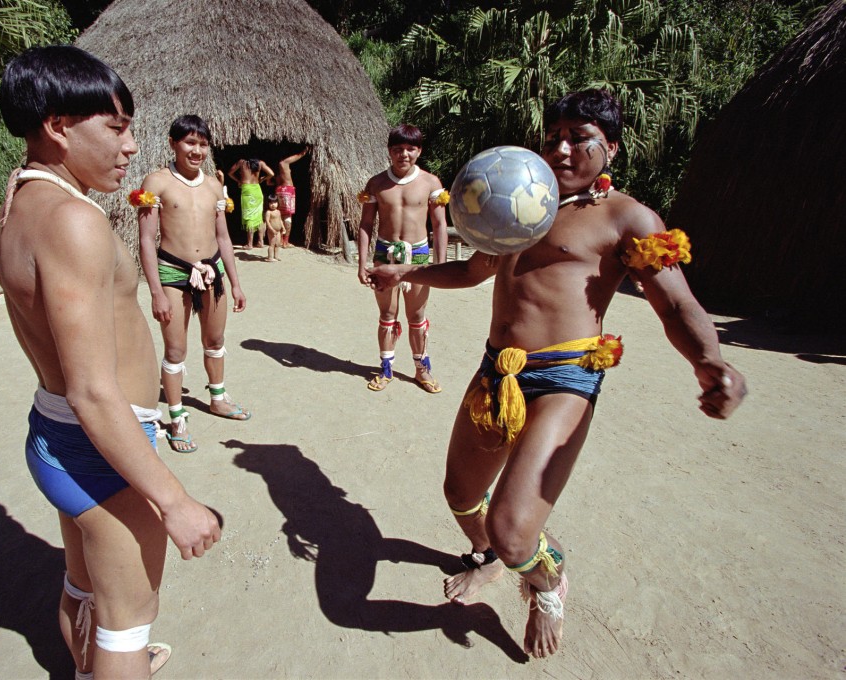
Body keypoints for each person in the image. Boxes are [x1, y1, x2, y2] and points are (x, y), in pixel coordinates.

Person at [368, 89, 747, 659]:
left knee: (514, 525)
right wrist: (405, 270)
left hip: (566, 379)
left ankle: (547, 583)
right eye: (554, 138)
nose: (562, 148)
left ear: (611, 148)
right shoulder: (518, 196)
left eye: (579, 138)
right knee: (461, 494)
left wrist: (711, 361)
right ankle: (494, 559)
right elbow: (474, 270)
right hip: (498, 371)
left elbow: (675, 304)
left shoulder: (628, 218)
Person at [0, 46, 221, 679]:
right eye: (116, 127)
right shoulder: (72, 221)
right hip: (103, 443)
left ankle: (84, 667)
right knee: (128, 620)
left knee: (83, 584)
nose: (129, 146)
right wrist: (173, 500)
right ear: (58, 126)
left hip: (55, 432)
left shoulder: (17, 203)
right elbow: (94, 391)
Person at [135, 115, 251, 455]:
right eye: (189, 142)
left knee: (215, 339)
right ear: (173, 143)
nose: (196, 150)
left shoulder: (215, 186)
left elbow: (223, 238)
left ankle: (218, 397)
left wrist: (236, 282)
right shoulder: (156, 183)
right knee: (176, 350)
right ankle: (176, 417)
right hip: (174, 273)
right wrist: (156, 290)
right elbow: (146, 240)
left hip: (212, 272)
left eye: (202, 144)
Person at [356, 124, 449, 393]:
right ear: (389, 151)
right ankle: (386, 369)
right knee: (387, 314)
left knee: (417, 315)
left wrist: (439, 266)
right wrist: (362, 264)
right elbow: (365, 225)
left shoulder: (431, 183)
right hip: (384, 255)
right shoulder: (376, 183)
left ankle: (422, 370)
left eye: (410, 149)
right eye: (397, 149)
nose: (404, 154)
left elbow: (439, 225)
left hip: (418, 256)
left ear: (419, 151)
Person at [228, 157, 275, 250]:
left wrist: (238, 180)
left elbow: (230, 173)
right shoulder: (260, 163)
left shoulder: (241, 162)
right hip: (257, 189)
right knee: (258, 217)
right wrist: (263, 178)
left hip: (247, 190)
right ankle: (260, 242)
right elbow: (271, 173)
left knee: (250, 216)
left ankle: (249, 244)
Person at [274, 148, 308, 247]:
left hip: (279, 190)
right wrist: (305, 151)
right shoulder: (284, 163)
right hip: (287, 191)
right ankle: (285, 242)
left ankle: (280, 240)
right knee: (287, 217)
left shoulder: (277, 168)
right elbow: (299, 156)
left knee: (280, 215)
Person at [263, 195, 284, 262]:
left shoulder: (278, 211)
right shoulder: (268, 212)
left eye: (274, 203)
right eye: (271, 203)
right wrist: (271, 229)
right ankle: (270, 257)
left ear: (278, 203)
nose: (273, 205)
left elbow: (280, 220)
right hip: (272, 231)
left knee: (277, 244)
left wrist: (283, 228)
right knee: (272, 244)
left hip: (278, 231)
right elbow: (267, 221)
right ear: (268, 204)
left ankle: (276, 256)